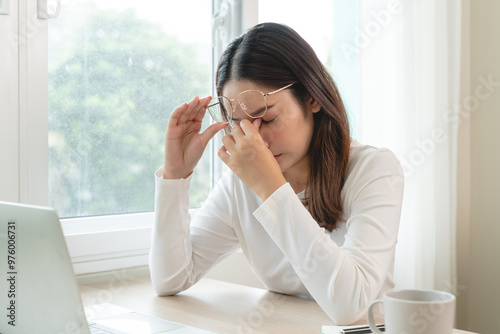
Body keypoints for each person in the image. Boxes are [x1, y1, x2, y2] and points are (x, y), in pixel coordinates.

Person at [149, 22, 404, 325]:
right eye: (238, 123)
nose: (255, 140)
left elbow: (350, 306)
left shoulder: (373, 170)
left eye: (267, 118)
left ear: (312, 97)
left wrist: (271, 187)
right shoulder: (240, 185)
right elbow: (170, 278)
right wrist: (176, 175)